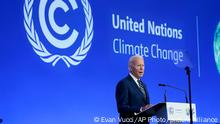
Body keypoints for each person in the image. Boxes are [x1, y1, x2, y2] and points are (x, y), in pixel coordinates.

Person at [115, 55, 151, 124]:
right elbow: (122, 108)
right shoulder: (124, 83)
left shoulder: (143, 85)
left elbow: (146, 106)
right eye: (138, 65)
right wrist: (140, 109)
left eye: (143, 65)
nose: (141, 68)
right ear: (130, 68)